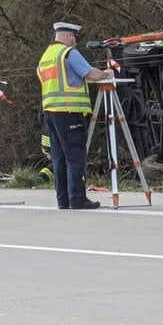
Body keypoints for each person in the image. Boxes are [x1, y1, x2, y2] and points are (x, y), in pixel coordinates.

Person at [37, 21, 113, 210]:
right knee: (75, 156)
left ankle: (64, 200)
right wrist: (106, 73)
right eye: (74, 38)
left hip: (51, 113)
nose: (75, 41)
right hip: (70, 112)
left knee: (59, 158)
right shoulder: (68, 53)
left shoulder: (46, 56)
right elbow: (89, 74)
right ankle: (78, 198)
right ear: (69, 36)